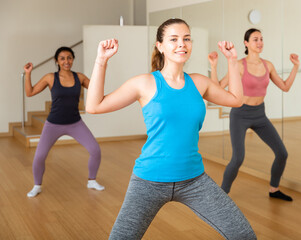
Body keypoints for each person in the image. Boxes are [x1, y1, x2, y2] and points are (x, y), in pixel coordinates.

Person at [86, 18, 257, 239]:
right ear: (160, 46)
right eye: (173, 39)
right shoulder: (145, 83)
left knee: (244, 235)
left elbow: (236, 100)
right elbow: (94, 106)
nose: (181, 44)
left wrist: (233, 61)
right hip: (149, 180)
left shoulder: (198, 82)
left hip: (194, 180)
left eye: (186, 39)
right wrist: (101, 61)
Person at [209, 28, 299, 201]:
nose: (259, 43)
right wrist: (213, 67)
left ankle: (274, 189)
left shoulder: (268, 65)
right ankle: (222, 195)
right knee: (238, 158)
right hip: (240, 115)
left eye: (261, 39)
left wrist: (295, 66)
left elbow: (285, 87)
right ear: (246, 43)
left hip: (260, 115)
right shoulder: (240, 65)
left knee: (282, 153)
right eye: (255, 39)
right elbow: (218, 87)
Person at [24, 47, 104, 198]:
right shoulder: (50, 77)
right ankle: (37, 185)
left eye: (69, 58)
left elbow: (96, 88)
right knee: (39, 156)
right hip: (53, 124)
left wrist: (102, 65)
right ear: (57, 61)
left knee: (95, 150)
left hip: (75, 123)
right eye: (62, 58)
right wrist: (28, 74)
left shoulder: (79, 77)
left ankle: (91, 181)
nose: (66, 61)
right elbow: (30, 92)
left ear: (73, 59)